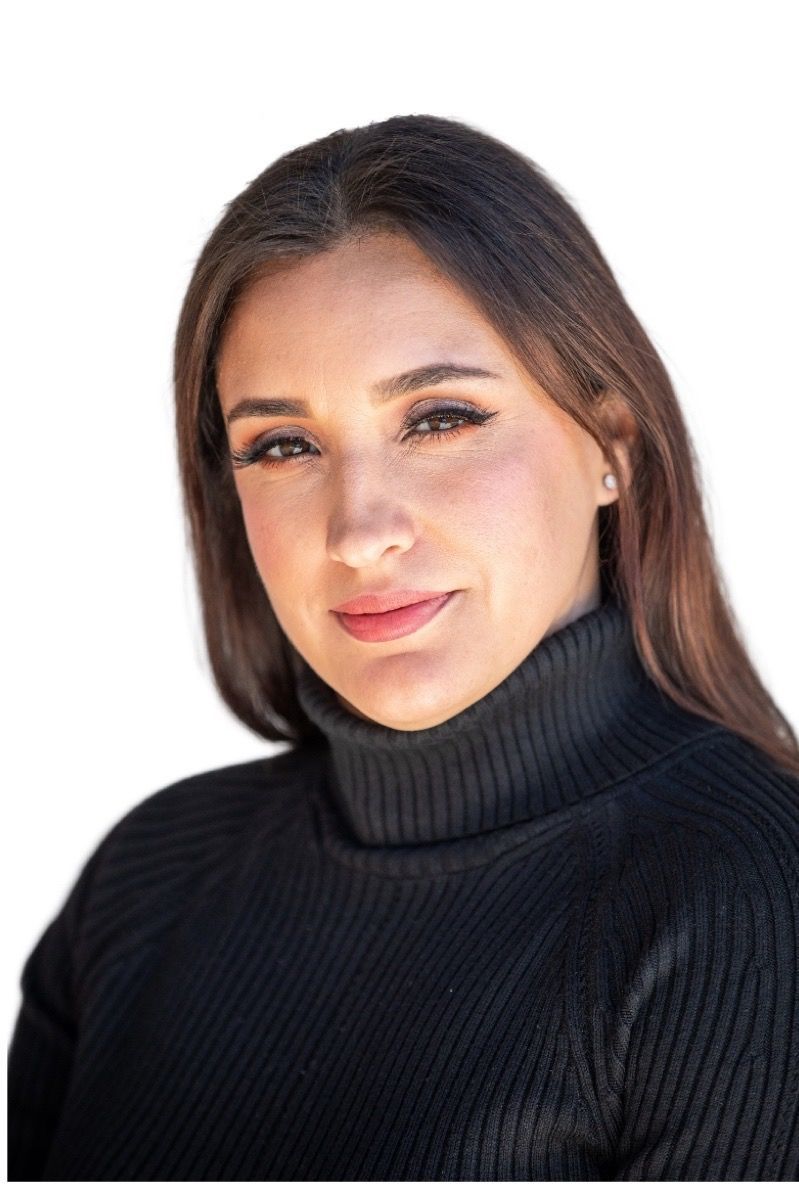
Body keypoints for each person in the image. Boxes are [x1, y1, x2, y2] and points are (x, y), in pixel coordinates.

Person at [8, 114, 799, 1183]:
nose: (359, 529)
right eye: (283, 445)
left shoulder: (755, 895)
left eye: (439, 419)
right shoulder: (148, 881)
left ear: (611, 447)